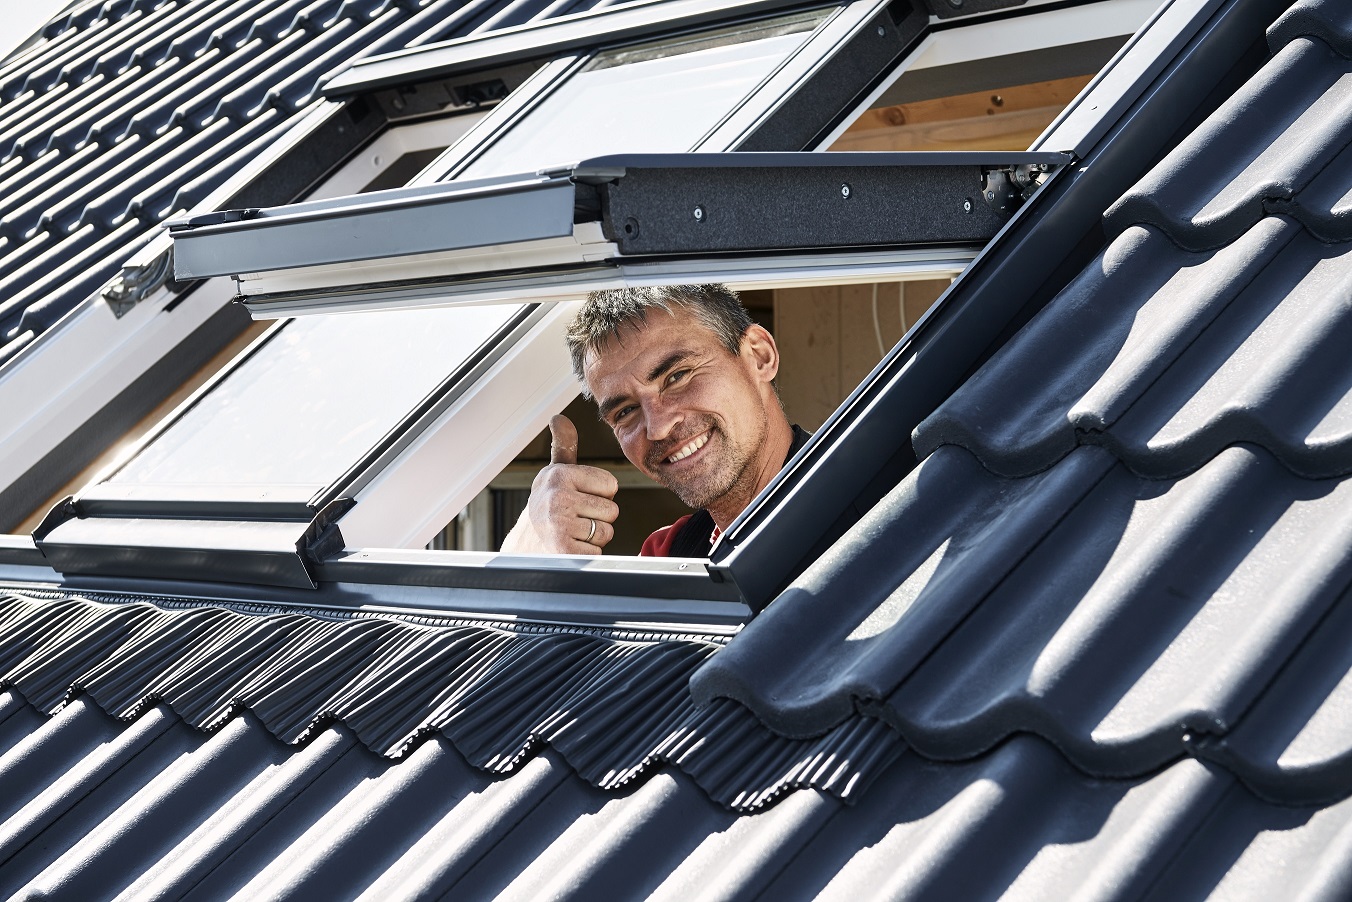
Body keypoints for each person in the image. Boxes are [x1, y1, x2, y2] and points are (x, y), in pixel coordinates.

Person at [500, 284, 809, 557]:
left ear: (758, 356)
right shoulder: (668, 552)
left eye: (677, 376)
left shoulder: (855, 513)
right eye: (625, 412)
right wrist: (528, 556)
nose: (658, 427)